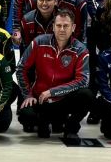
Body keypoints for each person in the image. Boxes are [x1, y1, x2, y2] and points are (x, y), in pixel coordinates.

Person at [17, 10, 94, 139]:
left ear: (73, 27)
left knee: (87, 95)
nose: (62, 29)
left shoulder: (80, 50)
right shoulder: (38, 42)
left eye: (66, 26)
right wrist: (27, 94)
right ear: (53, 27)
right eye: (58, 25)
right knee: (26, 116)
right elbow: (21, 69)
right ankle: (43, 122)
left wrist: (52, 92)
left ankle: (71, 128)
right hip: (40, 99)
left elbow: (83, 81)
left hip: (63, 100)